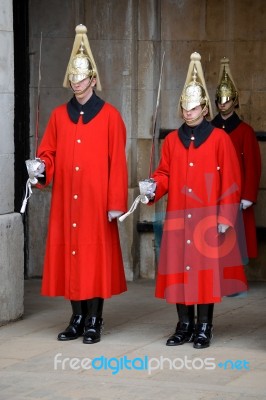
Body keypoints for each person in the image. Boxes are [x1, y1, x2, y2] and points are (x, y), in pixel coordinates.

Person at [28, 24, 128, 344]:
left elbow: (118, 163)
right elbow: (49, 155)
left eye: (82, 77)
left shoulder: (111, 116)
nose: (76, 82)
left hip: (96, 202)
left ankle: (95, 318)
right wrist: (40, 168)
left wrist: (115, 203)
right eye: (73, 77)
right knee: (72, 258)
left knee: (93, 259)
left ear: (93, 79)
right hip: (67, 202)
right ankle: (77, 316)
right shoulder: (59, 116)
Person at [145, 52, 247, 349]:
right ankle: (183, 325)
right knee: (179, 273)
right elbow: (164, 173)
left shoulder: (219, 140)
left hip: (206, 220)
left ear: (204, 108)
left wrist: (225, 217)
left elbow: (231, 181)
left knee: (204, 275)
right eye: (184, 108)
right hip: (178, 217)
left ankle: (204, 326)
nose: (187, 112)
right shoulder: (173, 141)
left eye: (193, 108)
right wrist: (153, 187)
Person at [212, 57, 261, 259]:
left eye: (227, 100)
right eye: (220, 101)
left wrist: (248, 195)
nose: (223, 105)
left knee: (235, 238)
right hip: (213, 190)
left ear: (235, 101)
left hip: (237, 192)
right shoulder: (210, 129)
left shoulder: (245, 132)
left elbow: (253, 166)